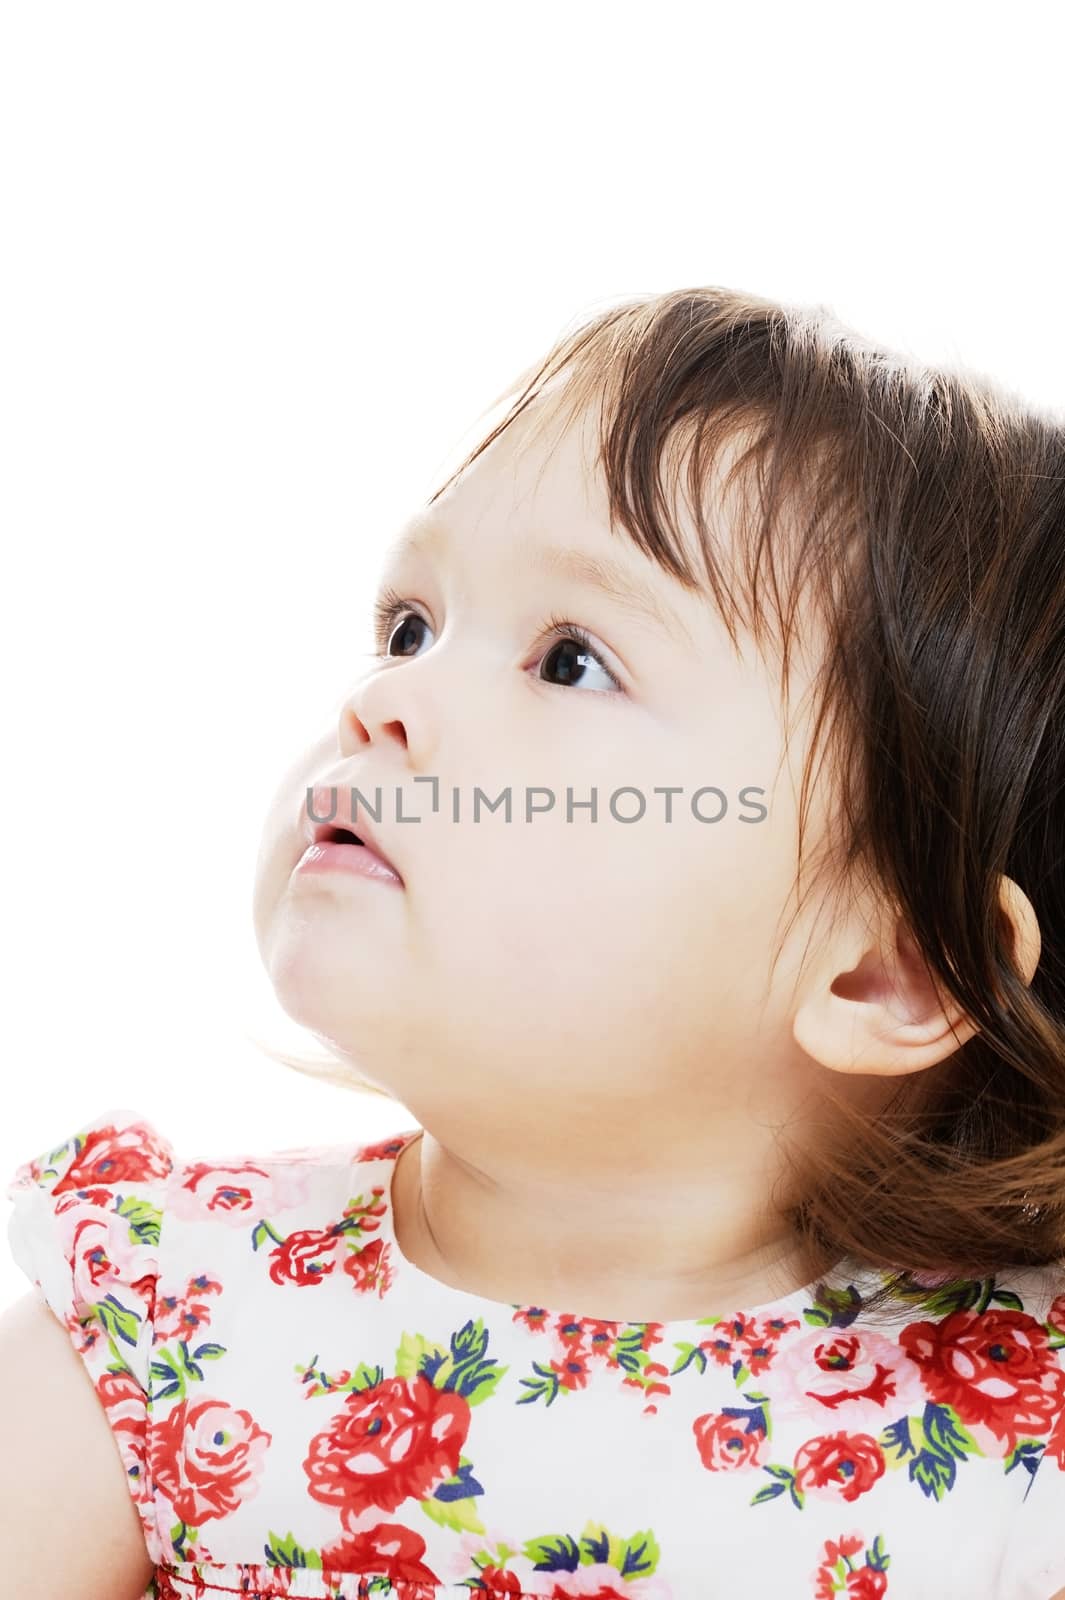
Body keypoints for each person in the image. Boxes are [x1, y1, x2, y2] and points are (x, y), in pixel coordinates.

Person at [5, 284, 1065, 1599]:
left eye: (569, 659)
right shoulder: (161, 1323)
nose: (384, 700)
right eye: (409, 627)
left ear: (880, 972)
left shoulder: (1024, 1437)